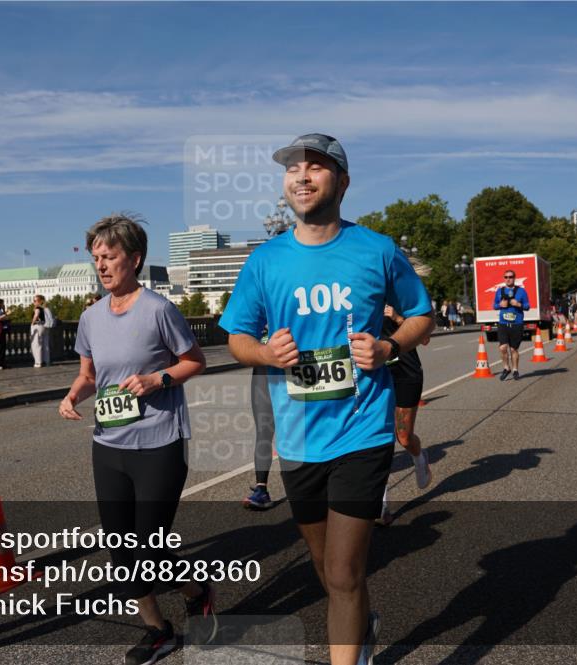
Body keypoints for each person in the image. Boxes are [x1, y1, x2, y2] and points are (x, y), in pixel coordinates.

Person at [219, 133, 434, 665]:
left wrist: (388, 346)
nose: (301, 176)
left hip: (362, 429)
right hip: (297, 436)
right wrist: (267, 354)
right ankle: (360, 624)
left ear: (342, 181)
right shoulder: (265, 261)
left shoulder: (376, 249)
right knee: (325, 568)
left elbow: (422, 316)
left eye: (315, 167)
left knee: (342, 571)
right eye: (293, 168)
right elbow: (236, 338)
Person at [58, 213, 214, 665]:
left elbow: (195, 361)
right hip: (109, 445)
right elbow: (89, 375)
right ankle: (157, 630)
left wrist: (157, 379)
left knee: (147, 546)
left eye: (110, 257)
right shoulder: (90, 316)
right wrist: (72, 396)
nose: (101, 266)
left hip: (159, 443)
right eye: (96, 258)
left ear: (135, 259)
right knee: (121, 549)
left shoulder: (159, 310)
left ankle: (194, 587)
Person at [378, 297, 434, 527]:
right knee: (378, 439)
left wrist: (398, 317)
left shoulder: (402, 295)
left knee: (404, 437)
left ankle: (419, 458)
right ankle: (380, 504)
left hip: (405, 372)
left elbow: (426, 338)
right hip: (373, 373)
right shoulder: (356, 291)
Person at [244, 353, 277, 510]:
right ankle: (261, 490)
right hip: (263, 368)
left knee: (302, 428)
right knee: (264, 431)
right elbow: (239, 338)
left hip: (298, 366)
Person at [493, 269, 530, 381]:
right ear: (504, 278)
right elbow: (494, 305)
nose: (508, 279)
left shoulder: (521, 291)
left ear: (514, 278)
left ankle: (515, 370)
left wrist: (518, 304)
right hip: (503, 323)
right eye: (506, 277)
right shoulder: (499, 291)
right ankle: (506, 367)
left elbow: (527, 306)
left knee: (514, 349)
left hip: (517, 323)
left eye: (510, 277)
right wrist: (500, 305)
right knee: (503, 348)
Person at [30, 295, 56, 367]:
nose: (34, 302)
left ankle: (38, 362)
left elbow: (36, 315)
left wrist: (32, 323)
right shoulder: (46, 307)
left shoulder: (38, 308)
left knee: (37, 345)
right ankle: (46, 361)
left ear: (40, 301)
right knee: (46, 344)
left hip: (38, 326)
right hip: (46, 327)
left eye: (35, 301)